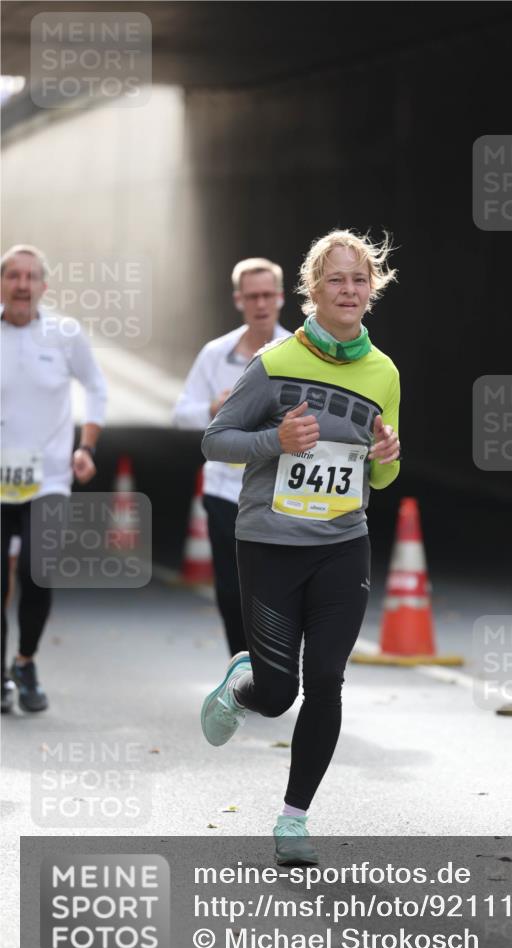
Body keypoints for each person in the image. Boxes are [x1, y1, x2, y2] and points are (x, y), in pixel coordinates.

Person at [200, 230, 401, 864]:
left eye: (359, 280)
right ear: (312, 292)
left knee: (327, 681)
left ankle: (293, 819)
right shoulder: (277, 363)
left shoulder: (384, 372)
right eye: (336, 280)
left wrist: (390, 457)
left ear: (373, 290)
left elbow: (382, 473)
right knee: (279, 692)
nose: (349, 290)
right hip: (271, 543)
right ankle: (243, 684)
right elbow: (216, 439)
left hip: (343, 545)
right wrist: (274, 441)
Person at [1, 244, 107, 714]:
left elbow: (97, 386)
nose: (22, 285)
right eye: (12, 275)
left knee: (36, 575)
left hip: (49, 480)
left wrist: (86, 446)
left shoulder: (64, 335)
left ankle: (24, 662)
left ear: (44, 286)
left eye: (31, 277)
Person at [173, 258, 291, 655]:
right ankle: (241, 666)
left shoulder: (296, 353)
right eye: (252, 296)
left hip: (279, 492)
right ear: (239, 300)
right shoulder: (215, 354)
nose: (261, 304)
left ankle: (273, 662)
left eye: (267, 295)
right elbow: (180, 415)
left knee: (275, 585)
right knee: (231, 586)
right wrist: (213, 408)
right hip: (226, 490)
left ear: (280, 297)